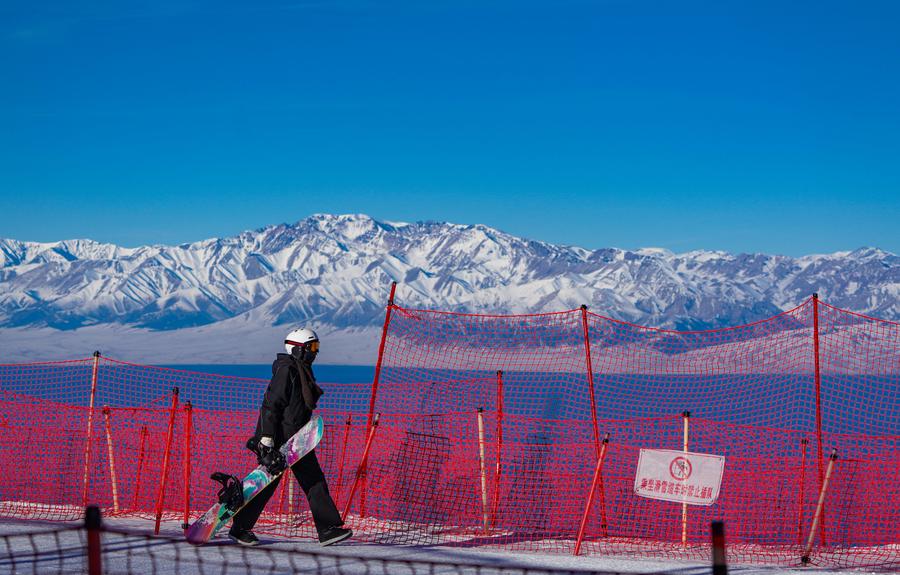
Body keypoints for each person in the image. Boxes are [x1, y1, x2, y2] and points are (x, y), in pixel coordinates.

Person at [229, 327, 352, 547]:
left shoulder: (301, 370)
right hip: (279, 439)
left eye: (316, 347)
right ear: (298, 349)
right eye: (311, 347)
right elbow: (271, 405)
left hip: (297, 439)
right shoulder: (287, 370)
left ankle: (327, 529)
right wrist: (266, 439)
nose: (315, 352)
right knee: (266, 484)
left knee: (312, 480)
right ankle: (239, 528)